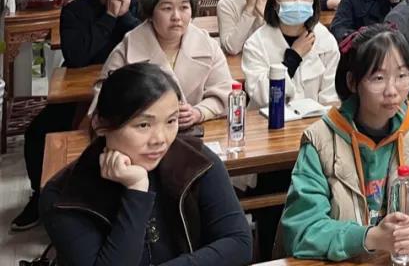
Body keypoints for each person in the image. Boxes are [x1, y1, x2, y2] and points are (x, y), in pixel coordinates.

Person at [279, 25, 409, 261]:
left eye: (402, 76)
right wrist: (371, 238)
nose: (392, 91)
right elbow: (301, 231)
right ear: (353, 82)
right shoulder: (321, 140)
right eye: (378, 78)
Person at [40, 64, 252, 265]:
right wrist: (137, 190)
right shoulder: (64, 196)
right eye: (143, 125)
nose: (160, 139)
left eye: (171, 121)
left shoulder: (196, 161)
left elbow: (239, 243)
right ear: (100, 123)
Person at [11, 0, 141, 231]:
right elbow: (77, 57)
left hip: (127, 88)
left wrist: (125, 16)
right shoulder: (75, 11)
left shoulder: (137, 3)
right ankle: (40, 195)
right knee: (38, 132)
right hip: (80, 89)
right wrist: (109, 17)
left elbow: (143, 42)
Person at [91, 0, 234, 127]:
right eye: (167, 8)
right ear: (150, 14)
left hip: (196, 131)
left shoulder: (207, 45)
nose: (176, 16)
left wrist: (199, 112)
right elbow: (103, 102)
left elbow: (224, 91)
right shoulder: (128, 47)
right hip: (141, 135)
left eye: (184, 7)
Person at [243, 0, 340, 108]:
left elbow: (331, 96)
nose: (298, 2)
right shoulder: (256, 43)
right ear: (275, 3)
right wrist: (293, 58)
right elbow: (261, 96)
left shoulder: (325, 39)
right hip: (267, 118)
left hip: (314, 119)